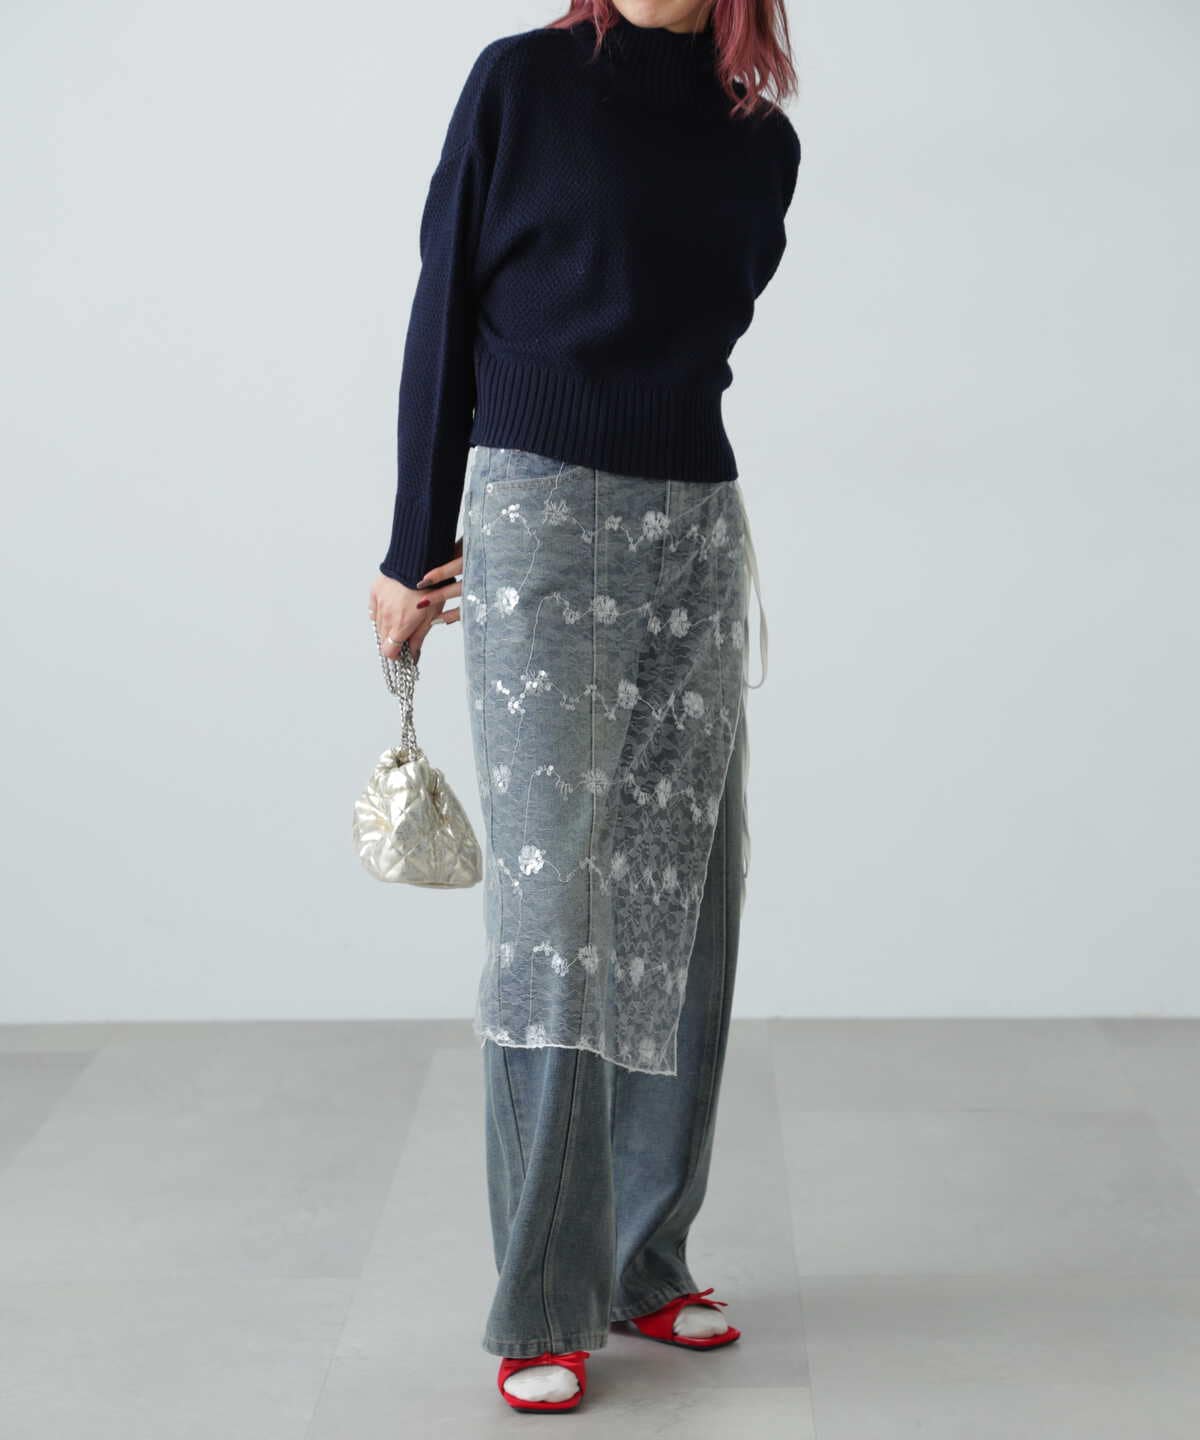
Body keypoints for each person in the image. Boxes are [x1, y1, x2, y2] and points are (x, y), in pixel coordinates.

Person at [367, 0, 799, 1413]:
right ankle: (543, 1302)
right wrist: (412, 543)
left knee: (690, 902)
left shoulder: (761, 142)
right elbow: (446, 307)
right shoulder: (526, 85)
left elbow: (698, 342)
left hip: (695, 536)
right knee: (559, 919)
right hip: (544, 524)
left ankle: (642, 1259)